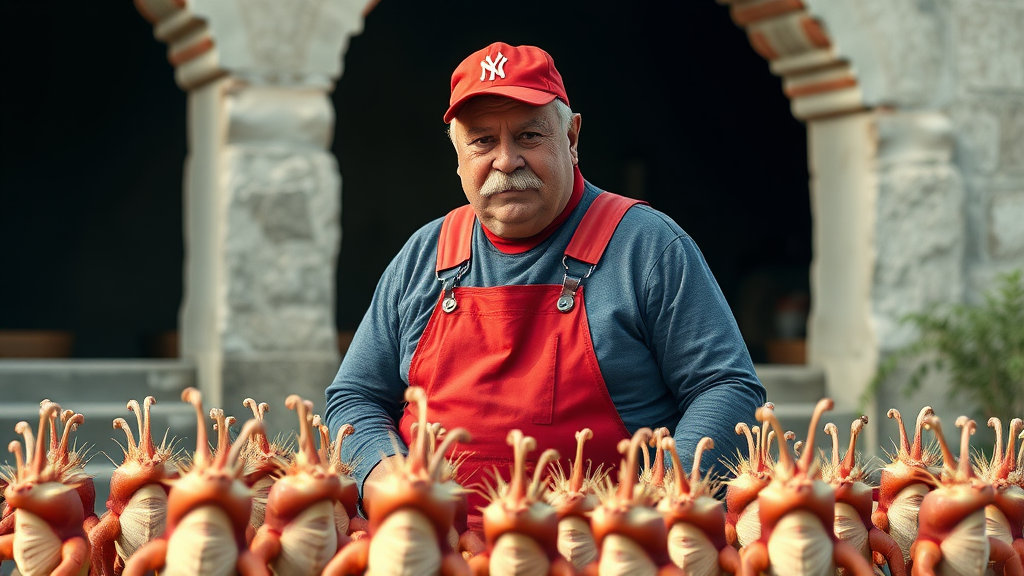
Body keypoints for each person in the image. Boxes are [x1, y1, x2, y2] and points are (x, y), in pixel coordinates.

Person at [324, 41, 766, 532]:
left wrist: (663, 498)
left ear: (572, 137)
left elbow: (726, 387)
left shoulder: (648, 246)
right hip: (437, 547)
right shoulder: (424, 256)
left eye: (529, 135)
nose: (506, 160)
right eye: (482, 142)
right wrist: (381, 473)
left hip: (603, 547)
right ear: (457, 154)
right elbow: (355, 396)